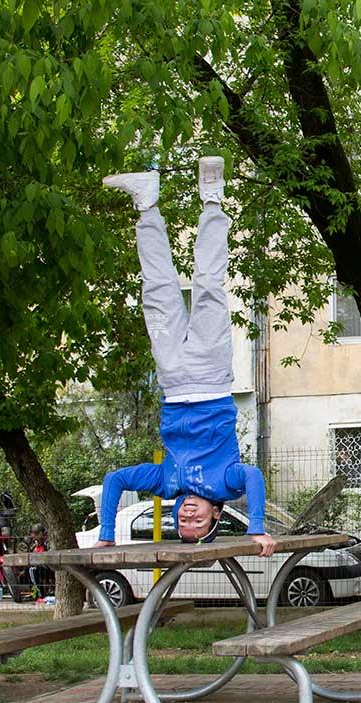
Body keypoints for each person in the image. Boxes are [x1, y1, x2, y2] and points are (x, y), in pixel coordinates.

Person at [95, 157, 279, 556]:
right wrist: (256, 528)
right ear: (216, 514)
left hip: (174, 380)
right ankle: (212, 198)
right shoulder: (226, 483)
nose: (189, 516)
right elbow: (253, 476)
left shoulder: (166, 483)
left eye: (183, 522)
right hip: (211, 376)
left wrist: (107, 532)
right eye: (198, 522)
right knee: (209, 285)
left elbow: (114, 480)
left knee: (156, 291)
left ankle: (147, 204)